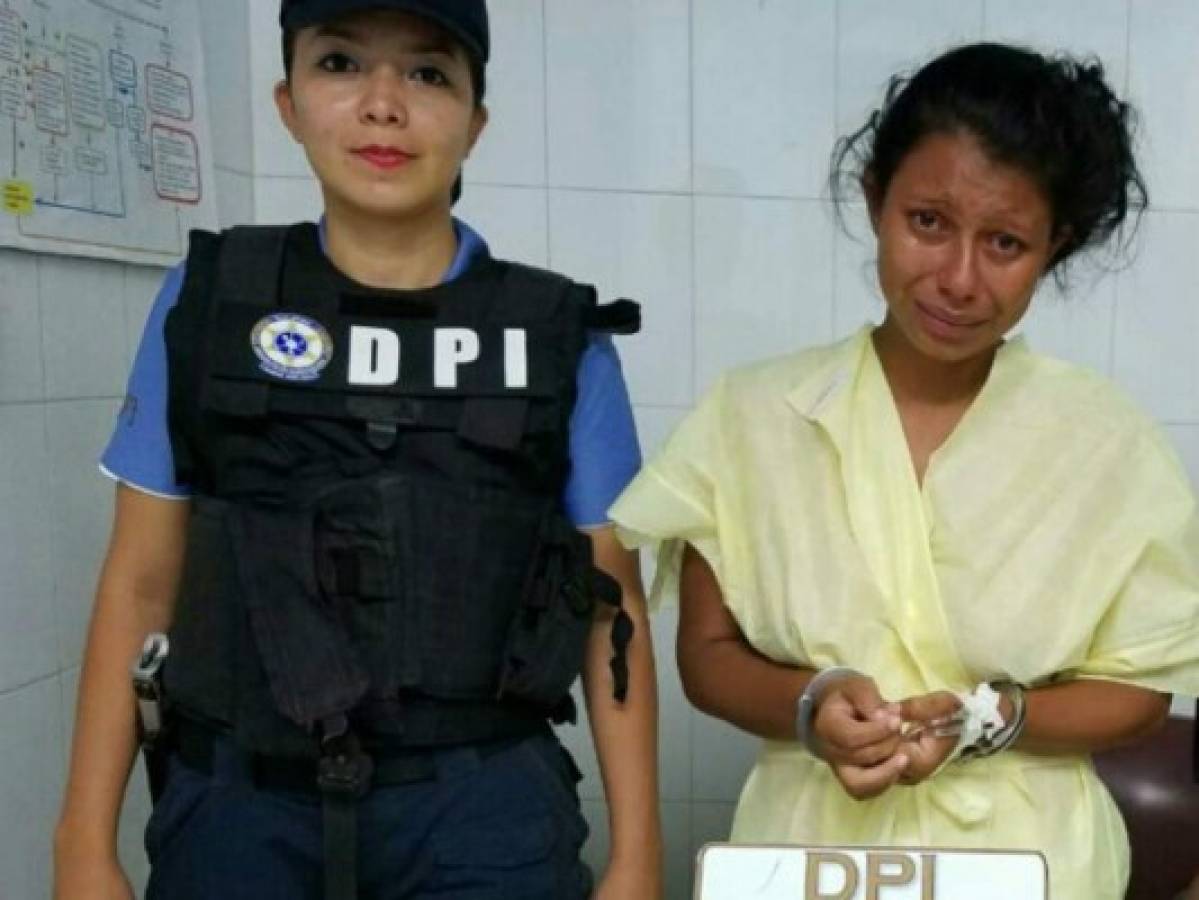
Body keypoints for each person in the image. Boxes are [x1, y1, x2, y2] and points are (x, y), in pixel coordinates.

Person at [52, 2, 663, 898]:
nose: (383, 104)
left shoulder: (559, 335)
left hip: (479, 815)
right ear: (288, 103)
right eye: (340, 63)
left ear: (475, 121)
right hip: (240, 808)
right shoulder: (211, 301)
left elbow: (614, 610)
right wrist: (82, 843)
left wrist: (637, 859)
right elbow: (141, 580)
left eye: (428, 73)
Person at [610, 42, 1199, 900]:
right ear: (874, 200)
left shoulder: (1108, 443)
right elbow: (706, 656)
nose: (958, 279)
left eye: (1005, 243)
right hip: (805, 853)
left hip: (1032, 861)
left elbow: (1138, 692)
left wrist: (991, 718)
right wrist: (813, 703)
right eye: (927, 222)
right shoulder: (754, 417)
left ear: (1053, 247)